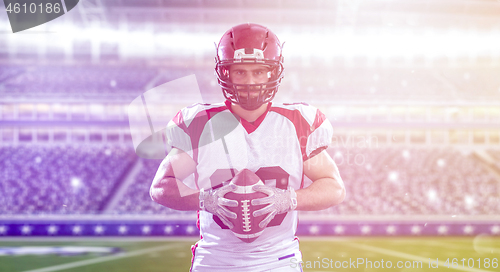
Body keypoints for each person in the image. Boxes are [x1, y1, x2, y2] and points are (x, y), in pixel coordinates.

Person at [150, 23, 345, 272]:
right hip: (215, 260)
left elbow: (334, 187)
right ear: (225, 73)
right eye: (240, 72)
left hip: (279, 260)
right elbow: (160, 186)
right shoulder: (200, 122)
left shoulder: (298, 122)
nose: (250, 81)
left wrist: (289, 199)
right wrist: (205, 200)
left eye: (258, 72)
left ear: (273, 73)